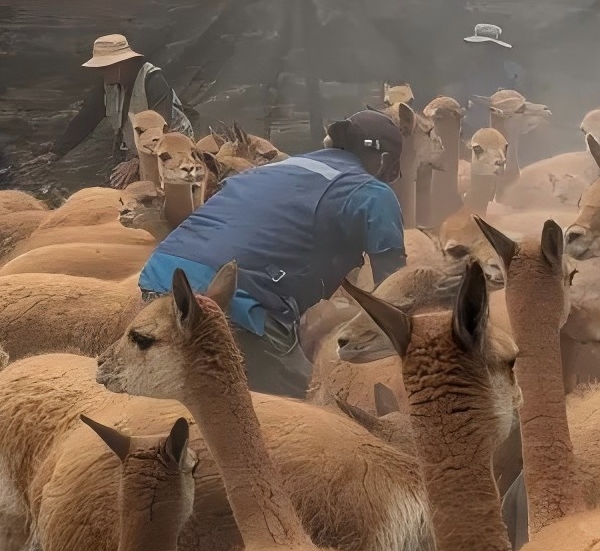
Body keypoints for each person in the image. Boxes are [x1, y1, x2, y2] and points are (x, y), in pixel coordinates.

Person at [137, 109, 407, 397]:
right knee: (311, 407)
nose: (388, 181)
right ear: (385, 161)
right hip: (236, 300)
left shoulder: (272, 169)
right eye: (391, 175)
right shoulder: (372, 191)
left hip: (159, 280)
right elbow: (392, 292)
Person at [42, 33, 193, 186]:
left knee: (164, 185)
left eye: (106, 67)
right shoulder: (108, 84)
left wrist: (136, 161)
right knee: (118, 183)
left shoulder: (152, 80)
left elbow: (161, 125)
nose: (101, 72)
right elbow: (86, 118)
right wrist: (57, 151)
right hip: (139, 145)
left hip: (170, 142)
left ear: (123, 63)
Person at [443, 23, 524, 119]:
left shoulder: (512, 72)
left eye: (488, 47)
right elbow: (463, 98)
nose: (485, 51)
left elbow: (519, 104)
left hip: (503, 122)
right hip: (473, 122)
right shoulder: (471, 71)